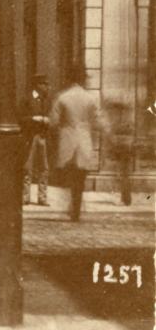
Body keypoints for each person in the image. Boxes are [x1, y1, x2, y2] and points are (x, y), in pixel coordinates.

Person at [50, 67, 100, 222]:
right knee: (80, 177)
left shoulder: (63, 98)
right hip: (84, 140)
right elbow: (98, 120)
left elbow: (54, 122)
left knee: (69, 176)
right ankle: (76, 208)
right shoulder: (90, 98)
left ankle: (72, 206)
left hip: (67, 140)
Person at [20, 74, 51, 206]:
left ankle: (42, 197)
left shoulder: (47, 100)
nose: (47, 87)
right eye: (44, 84)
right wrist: (33, 119)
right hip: (30, 136)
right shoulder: (27, 99)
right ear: (38, 85)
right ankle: (25, 196)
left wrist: (47, 120)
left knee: (44, 168)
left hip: (42, 136)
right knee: (28, 167)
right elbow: (21, 118)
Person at [103, 96, 134, 207]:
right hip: (126, 148)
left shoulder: (120, 121)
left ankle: (125, 199)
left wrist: (114, 141)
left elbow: (115, 134)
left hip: (122, 148)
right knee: (124, 173)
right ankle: (125, 198)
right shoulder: (127, 119)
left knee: (123, 174)